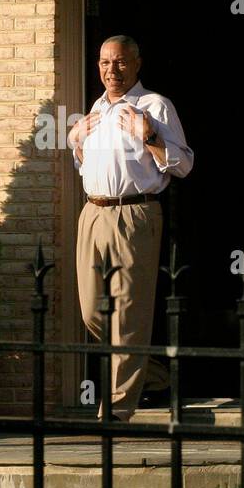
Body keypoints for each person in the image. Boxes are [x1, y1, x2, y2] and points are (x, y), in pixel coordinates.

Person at [68, 35, 194, 422]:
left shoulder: (154, 106)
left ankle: (116, 413)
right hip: (92, 213)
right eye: (105, 63)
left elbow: (184, 164)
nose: (112, 71)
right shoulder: (96, 110)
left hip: (134, 214)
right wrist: (76, 142)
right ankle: (152, 373)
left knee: (128, 316)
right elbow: (88, 165)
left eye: (120, 63)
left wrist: (150, 136)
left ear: (137, 64)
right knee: (92, 312)